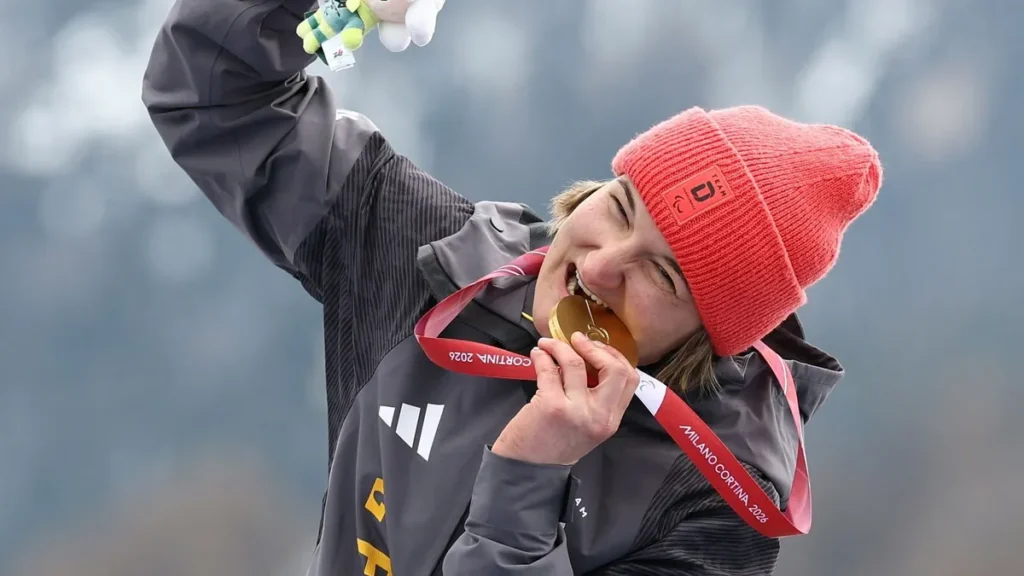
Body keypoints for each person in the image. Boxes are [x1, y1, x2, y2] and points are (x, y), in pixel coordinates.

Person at [142, 1, 882, 575]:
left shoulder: (713, 501)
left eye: (661, 274)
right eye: (619, 208)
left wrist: (528, 480)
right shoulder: (420, 252)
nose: (597, 267)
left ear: (707, 330)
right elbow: (209, 94)